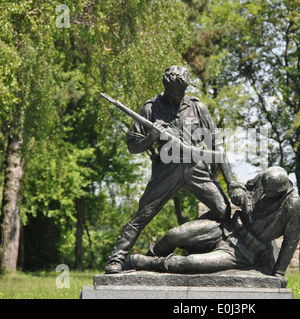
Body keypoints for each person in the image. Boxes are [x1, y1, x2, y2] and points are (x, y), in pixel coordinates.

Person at [105, 66, 245, 274]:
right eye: (178, 88)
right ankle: (116, 258)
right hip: (167, 169)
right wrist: (151, 138)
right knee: (144, 213)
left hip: (196, 167)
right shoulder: (150, 108)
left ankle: (196, 243)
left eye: (185, 88)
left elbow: (216, 146)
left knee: (224, 211)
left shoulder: (197, 107)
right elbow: (132, 146)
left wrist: (231, 182)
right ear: (167, 86)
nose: (182, 92)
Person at [126, 166, 300, 287]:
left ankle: (148, 264)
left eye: (268, 191)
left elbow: (291, 240)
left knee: (191, 262)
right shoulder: (265, 179)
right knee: (175, 234)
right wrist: (239, 193)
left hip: (243, 252)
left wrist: (279, 274)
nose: (263, 192)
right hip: (227, 228)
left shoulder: (292, 205)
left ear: (280, 191)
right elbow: (244, 188)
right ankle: (147, 257)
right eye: (263, 187)